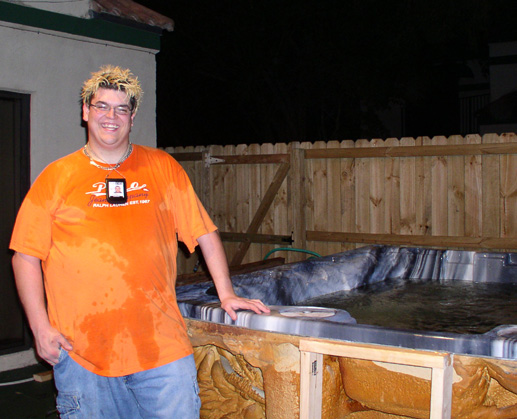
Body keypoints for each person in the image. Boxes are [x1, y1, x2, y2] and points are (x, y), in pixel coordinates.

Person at [10, 65, 270, 418]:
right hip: (82, 352)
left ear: (132, 118)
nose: (111, 117)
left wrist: (226, 293)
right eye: (102, 106)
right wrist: (40, 327)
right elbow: (25, 256)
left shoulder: (163, 167)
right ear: (85, 111)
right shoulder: (56, 177)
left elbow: (204, 232)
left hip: (161, 349)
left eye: (121, 109)